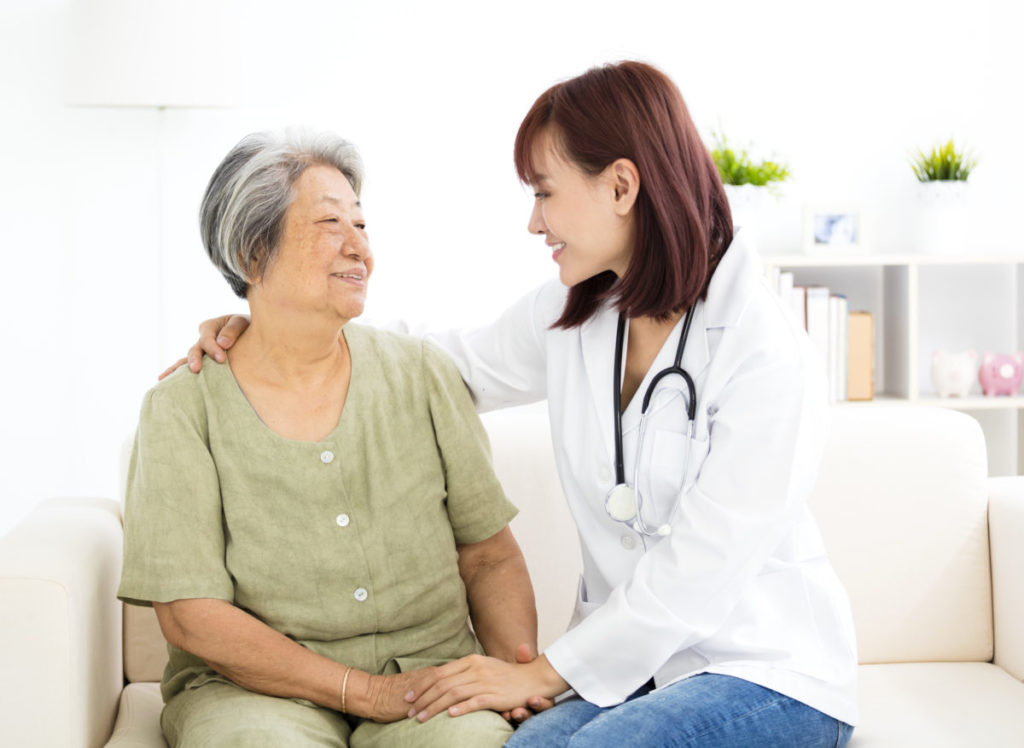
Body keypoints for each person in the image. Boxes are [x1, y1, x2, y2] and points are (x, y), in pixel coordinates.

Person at [174, 62, 858, 747]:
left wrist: (543, 672)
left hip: (763, 673)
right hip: (636, 672)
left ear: (620, 185)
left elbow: (700, 573)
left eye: (545, 193)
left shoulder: (765, 351)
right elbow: (435, 367)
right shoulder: (577, 314)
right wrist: (273, 335)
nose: (534, 222)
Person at [121, 129, 536, 747]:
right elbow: (190, 616)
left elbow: (490, 555)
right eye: (329, 222)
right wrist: (365, 692)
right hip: (250, 695)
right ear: (251, 254)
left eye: (362, 225)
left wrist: (516, 674)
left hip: (430, 680)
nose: (358, 247)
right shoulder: (182, 407)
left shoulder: (421, 374)